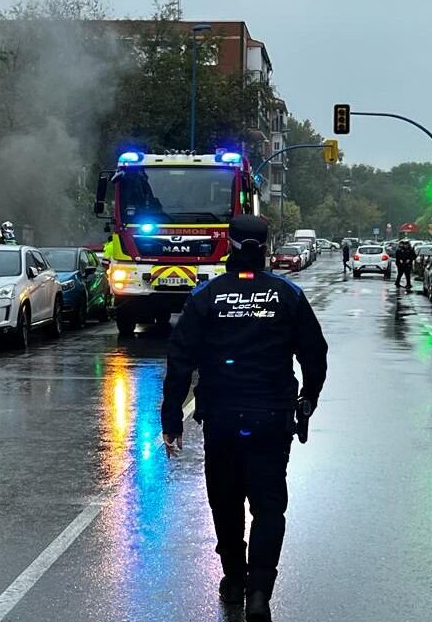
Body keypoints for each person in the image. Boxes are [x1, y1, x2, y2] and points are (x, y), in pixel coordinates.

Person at [161, 215, 328, 622]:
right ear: (266, 245)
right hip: (271, 416)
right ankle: (260, 593)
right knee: (269, 506)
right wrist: (308, 398)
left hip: (221, 417)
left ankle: (234, 579)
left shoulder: (206, 295)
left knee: (226, 499)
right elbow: (315, 354)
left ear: (229, 244)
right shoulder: (287, 294)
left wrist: (171, 420)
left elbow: (180, 361)